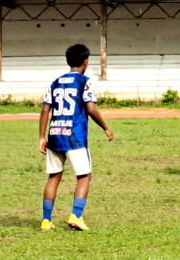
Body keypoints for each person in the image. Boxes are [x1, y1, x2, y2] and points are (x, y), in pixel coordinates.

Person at [39, 44, 114, 231]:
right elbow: (90, 108)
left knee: (53, 176)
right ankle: (76, 216)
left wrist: (41, 136)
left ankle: (46, 221)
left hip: (55, 134)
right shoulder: (84, 81)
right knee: (84, 176)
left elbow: (45, 109)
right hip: (75, 137)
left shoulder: (55, 82)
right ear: (86, 63)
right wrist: (106, 127)